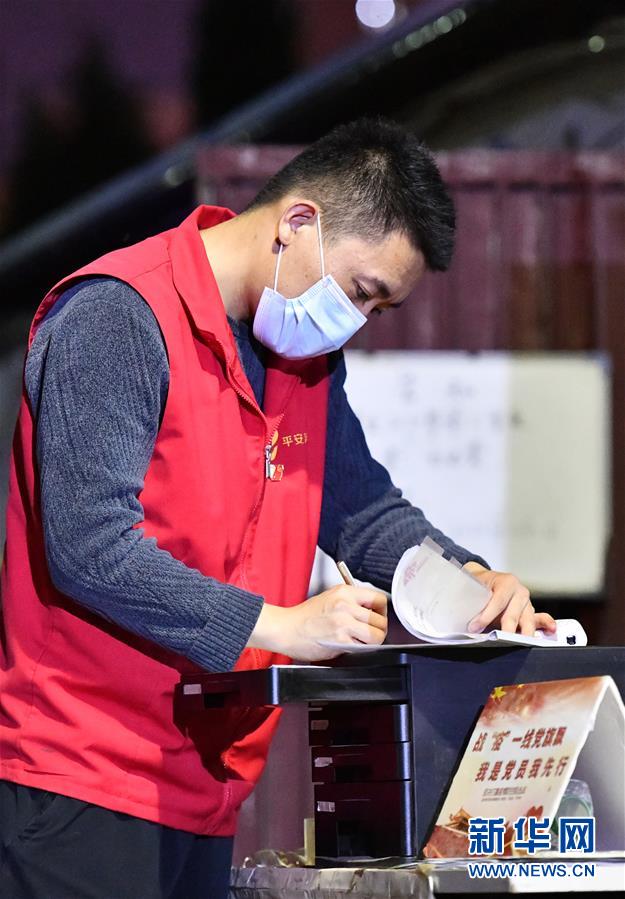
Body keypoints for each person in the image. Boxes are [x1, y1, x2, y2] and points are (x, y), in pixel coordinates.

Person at [0, 117, 555, 898]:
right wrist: (281, 624)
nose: (356, 321)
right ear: (298, 222)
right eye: (360, 292)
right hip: (82, 776)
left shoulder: (303, 357)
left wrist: (469, 585)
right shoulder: (118, 315)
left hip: (207, 780)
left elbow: (360, 511)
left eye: (379, 310)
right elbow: (91, 548)